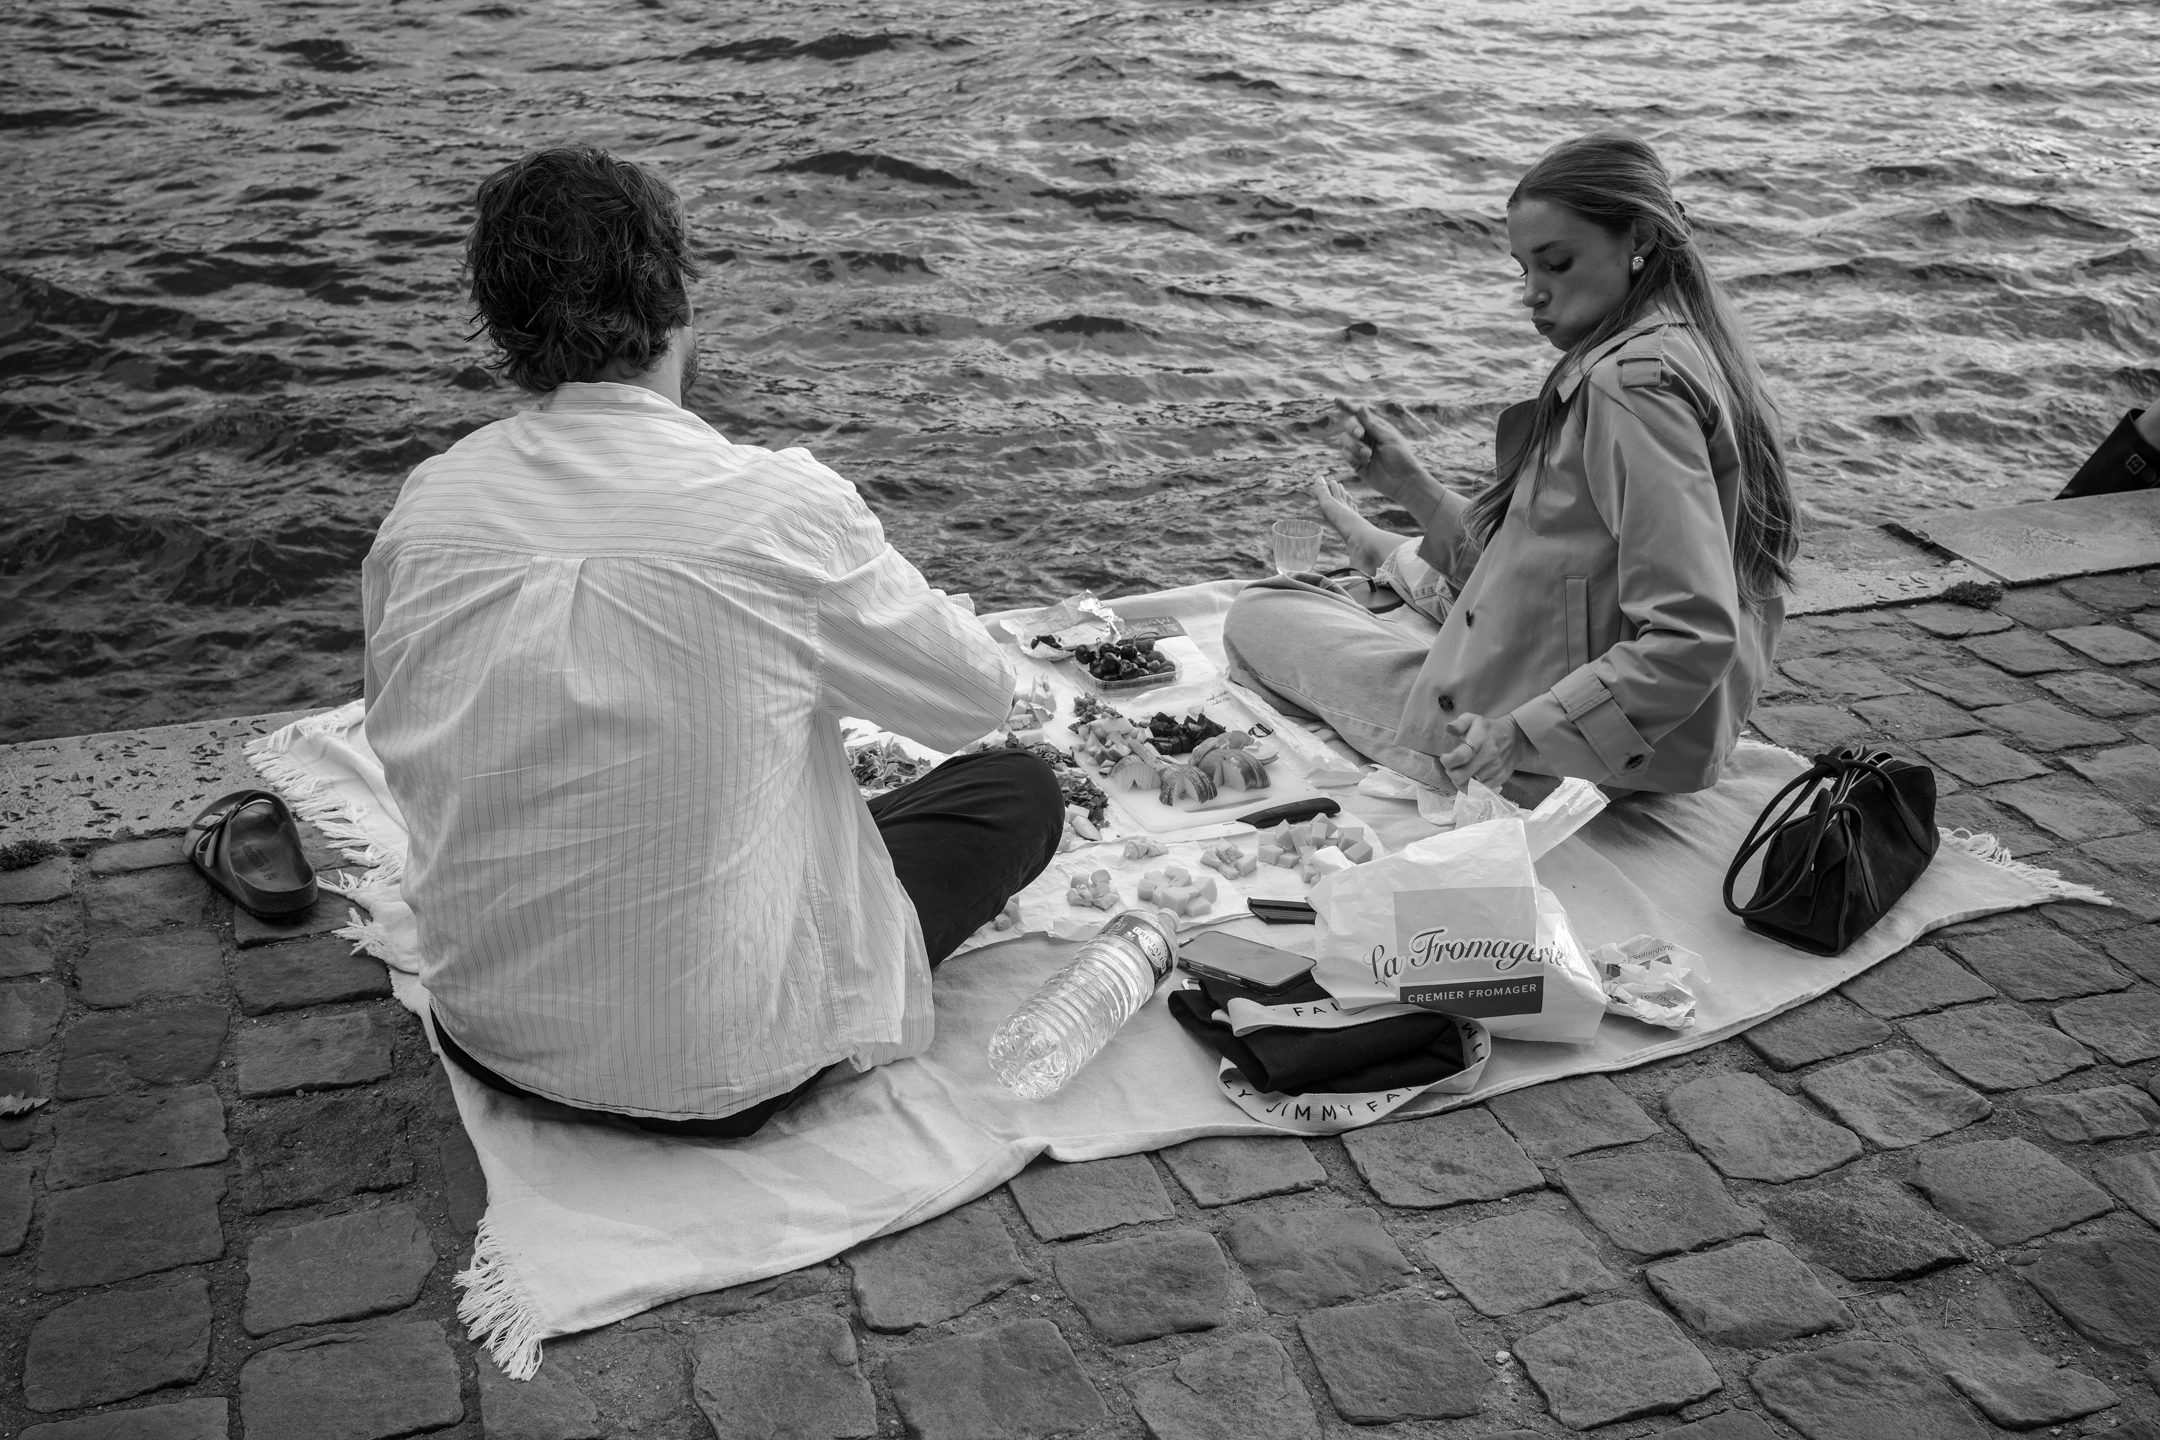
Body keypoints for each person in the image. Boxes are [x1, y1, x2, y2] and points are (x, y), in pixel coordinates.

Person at [361, 147, 1062, 1138]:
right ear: (676, 301)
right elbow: (974, 697)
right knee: (1016, 790)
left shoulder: (428, 505)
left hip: (488, 1028)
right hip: (720, 1065)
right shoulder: (779, 509)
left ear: (506, 327)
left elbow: (397, 722)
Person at [1224, 131, 1797, 800]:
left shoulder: (1630, 390)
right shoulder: (1694, 350)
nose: (1532, 294)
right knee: (1458, 577)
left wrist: (1517, 736)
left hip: (1551, 755)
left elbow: (1692, 633)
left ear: (1639, 237)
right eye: (1524, 270)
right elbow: (1563, 567)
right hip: (1644, 726)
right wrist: (1411, 485)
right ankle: (1385, 549)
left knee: (1263, 611)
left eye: (1556, 263)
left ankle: (1387, 560)